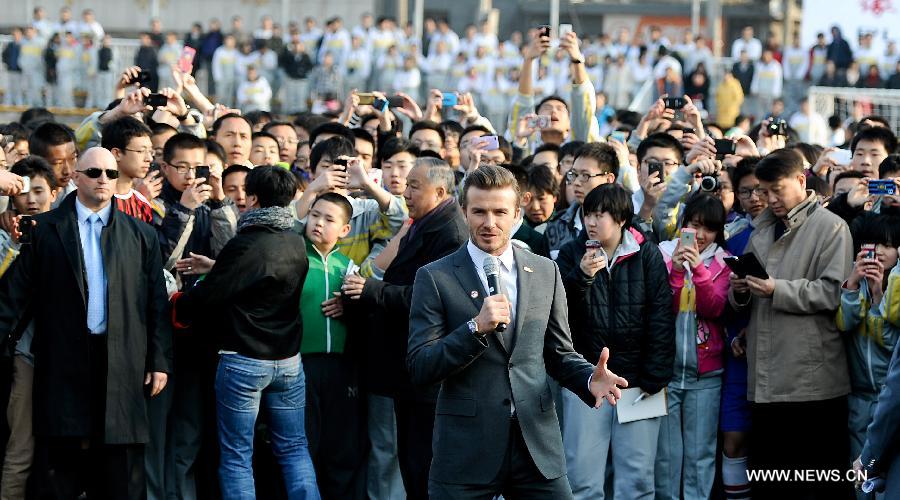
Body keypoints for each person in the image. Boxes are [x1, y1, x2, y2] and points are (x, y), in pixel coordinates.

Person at [405, 165, 627, 499]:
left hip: (535, 444)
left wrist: (587, 379)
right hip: (466, 448)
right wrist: (473, 328)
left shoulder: (544, 270)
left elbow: (558, 353)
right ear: (464, 211)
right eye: (479, 211)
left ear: (517, 214)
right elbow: (420, 365)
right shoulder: (435, 277)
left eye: (499, 212)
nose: (489, 223)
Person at [0, 147, 172, 498]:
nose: (103, 180)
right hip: (62, 361)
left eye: (110, 173)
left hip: (123, 360)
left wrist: (158, 361)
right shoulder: (45, 229)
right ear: (75, 177)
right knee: (60, 468)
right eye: (94, 172)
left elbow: (156, 302)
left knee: (120, 470)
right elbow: (13, 297)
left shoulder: (142, 234)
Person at [171, 166, 319, 499]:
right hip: (289, 361)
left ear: (252, 198)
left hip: (244, 361)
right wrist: (218, 266)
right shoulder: (296, 241)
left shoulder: (246, 242)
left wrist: (176, 300)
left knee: (238, 456)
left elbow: (209, 297)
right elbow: (262, 276)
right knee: (295, 448)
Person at [729, 148, 853, 498]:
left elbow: (833, 292)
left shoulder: (831, 228)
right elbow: (751, 300)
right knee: (769, 478)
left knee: (813, 480)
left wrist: (775, 289)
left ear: (801, 181)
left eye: (775, 190)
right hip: (765, 379)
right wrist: (741, 291)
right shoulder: (762, 230)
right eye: (762, 191)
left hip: (811, 382)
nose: (768, 199)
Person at [341, 159, 468, 499]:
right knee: (410, 459)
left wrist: (372, 291)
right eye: (407, 185)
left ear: (440, 192)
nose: (406, 193)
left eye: (415, 187)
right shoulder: (422, 222)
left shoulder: (450, 231)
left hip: (425, 366)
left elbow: (433, 298)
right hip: (403, 362)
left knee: (422, 461)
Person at [555, 181, 674, 499]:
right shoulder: (570, 253)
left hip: (639, 382)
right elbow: (558, 315)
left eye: (600, 214)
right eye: (588, 214)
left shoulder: (646, 254)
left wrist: (655, 377)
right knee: (581, 478)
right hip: (586, 380)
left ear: (621, 218)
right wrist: (581, 277)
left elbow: (661, 317)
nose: (591, 222)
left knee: (637, 480)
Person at [655, 193, 731, 500]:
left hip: (706, 376)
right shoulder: (662, 253)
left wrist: (698, 270)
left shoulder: (724, 262)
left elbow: (714, 308)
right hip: (666, 375)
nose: (699, 235)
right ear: (682, 224)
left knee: (701, 455)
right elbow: (664, 307)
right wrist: (676, 271)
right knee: (667, 457)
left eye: (708, 229)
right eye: (694, 225)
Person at [0, 157, 61, 499]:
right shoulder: (6, 237)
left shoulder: (69, 232)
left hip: (64, 358)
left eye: (39, 191)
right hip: (24, 354)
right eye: (24, 191)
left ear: (55, 193)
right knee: (20, 449)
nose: (32, 199)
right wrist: (12, 244)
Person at [301, 193, 367, 499]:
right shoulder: (294, 256)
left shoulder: (348, 266)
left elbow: (366, 310)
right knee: (304, 440)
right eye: (315, 215)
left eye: (329, 219)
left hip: (341, 366)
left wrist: (349, 306)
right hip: (299, 364)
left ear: (344, 230)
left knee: (340, 443)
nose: (318, 223)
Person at [837, 215, 900, 469]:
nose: (880, 252)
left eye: (887, 245)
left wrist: (878, 297)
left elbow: (889, 344)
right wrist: (852, 284)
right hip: (859, 396)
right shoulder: (855, 281)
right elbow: (843, 324)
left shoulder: (896, 289)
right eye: (872, 244)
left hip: (891, 397)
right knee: (860, 472)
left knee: (887, 472)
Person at [100, 117, 155, 223]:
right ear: (117, 154)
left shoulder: (143, 204)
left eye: (150, 152)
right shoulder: (93, 200)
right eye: (141, 151)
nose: (149, 159)